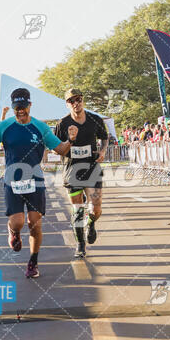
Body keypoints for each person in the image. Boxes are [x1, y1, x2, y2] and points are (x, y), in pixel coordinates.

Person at [0, 87, 78, 278]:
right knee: (18, 222)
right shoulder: (4, 126)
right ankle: (13, 232)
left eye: (23, 107)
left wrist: (71, 140)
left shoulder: (40, 127)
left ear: (30, 106)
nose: (20, 111)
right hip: (12, 181)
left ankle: (33, 262)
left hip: (35, 180)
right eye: (17, 107)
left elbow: (61, 149)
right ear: (13, 107)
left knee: (35, 224)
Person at [54, 88, 108, 258]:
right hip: (72, 170)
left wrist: (103, 151)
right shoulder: (62, 124)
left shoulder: (94, 119)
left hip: (92, 168)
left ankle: (90, 223)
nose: (75, 103)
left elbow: (104, 137)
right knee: (77, 210)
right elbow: (56, 149)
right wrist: (70, 142)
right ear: (67, 104)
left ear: (83, 100)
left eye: (78, 99)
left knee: (96, 209)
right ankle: (80, 244)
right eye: (71, 101)